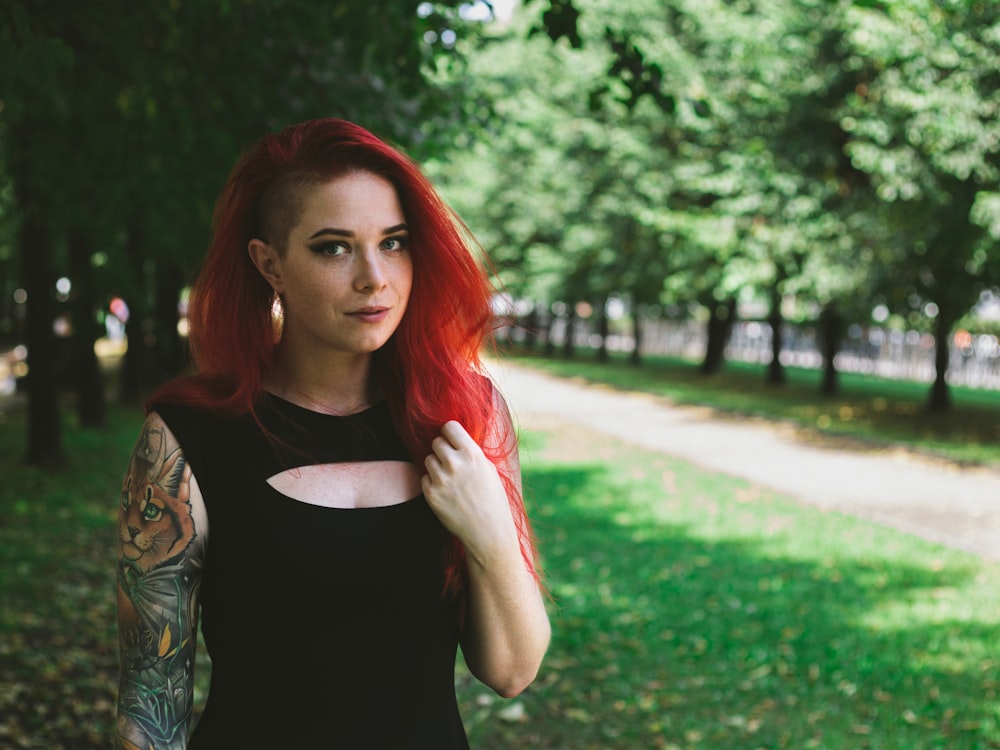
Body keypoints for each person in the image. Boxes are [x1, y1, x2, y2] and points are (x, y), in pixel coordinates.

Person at [115, 118, 551, 749]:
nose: (375, 276)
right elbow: (148, 716)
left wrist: (490, 533)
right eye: (333, 247)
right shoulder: (184, 441)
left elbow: (511, 670)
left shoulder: (463, 417)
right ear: (270, 264)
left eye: (394, 242)